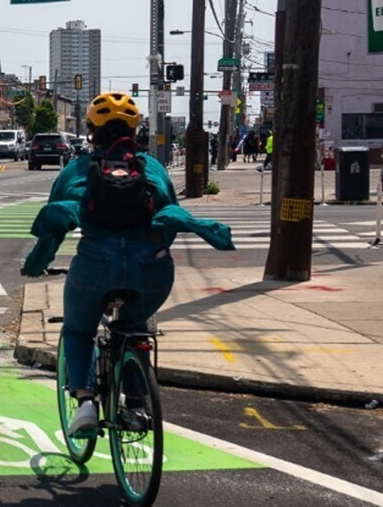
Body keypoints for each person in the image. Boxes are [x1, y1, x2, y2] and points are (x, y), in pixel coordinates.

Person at [22, 92, 235, 438]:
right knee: (136, 326)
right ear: (136, 131)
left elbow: (55, 223)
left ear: (91, 131)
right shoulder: (152, 168)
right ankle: (136, 403)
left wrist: (38, 262)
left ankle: (86, 402)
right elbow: (168, 218)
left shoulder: (77, 169)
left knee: (78, 331)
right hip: (151, 270)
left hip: (96, 268)